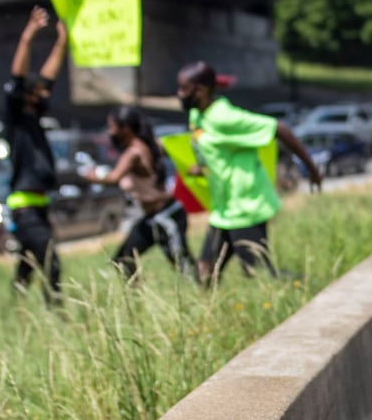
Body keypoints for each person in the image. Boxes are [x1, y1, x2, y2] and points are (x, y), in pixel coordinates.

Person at [175, 61, 323, 283]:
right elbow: (216, 149)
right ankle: (208, 315)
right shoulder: (197, 116)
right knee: (205, 272)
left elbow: (279, 128)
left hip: (246, 206)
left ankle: (306, 284)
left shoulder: (224, 117)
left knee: (259, 274)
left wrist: (311, 169)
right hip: (224, 209)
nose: (179, 94)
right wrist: (202, 167)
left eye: (183, 89)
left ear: (201, 90)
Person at [82, 104, 195, 281]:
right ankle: (139, 298)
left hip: (167, 215)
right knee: (122, 259)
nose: (110, 133)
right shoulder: (151, 144)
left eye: (112, 127)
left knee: (184, 267)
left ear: (125, 128)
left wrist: (91, 176)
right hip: (151, 218)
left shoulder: (134, 152)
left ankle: (204, 294)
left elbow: (113, 178)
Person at [2, 5, 67, 301]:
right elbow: (18, 76)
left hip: (38, 205)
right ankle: (57, 309)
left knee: (28, 263)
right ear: (27, 95)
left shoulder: (35, 117)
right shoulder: (16, 120)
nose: (44, 93)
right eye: (37, 91)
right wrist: (28, 37)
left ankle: (15, 305)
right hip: (24, 206)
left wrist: (61, 42)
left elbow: (48, 79)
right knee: (49, 262)